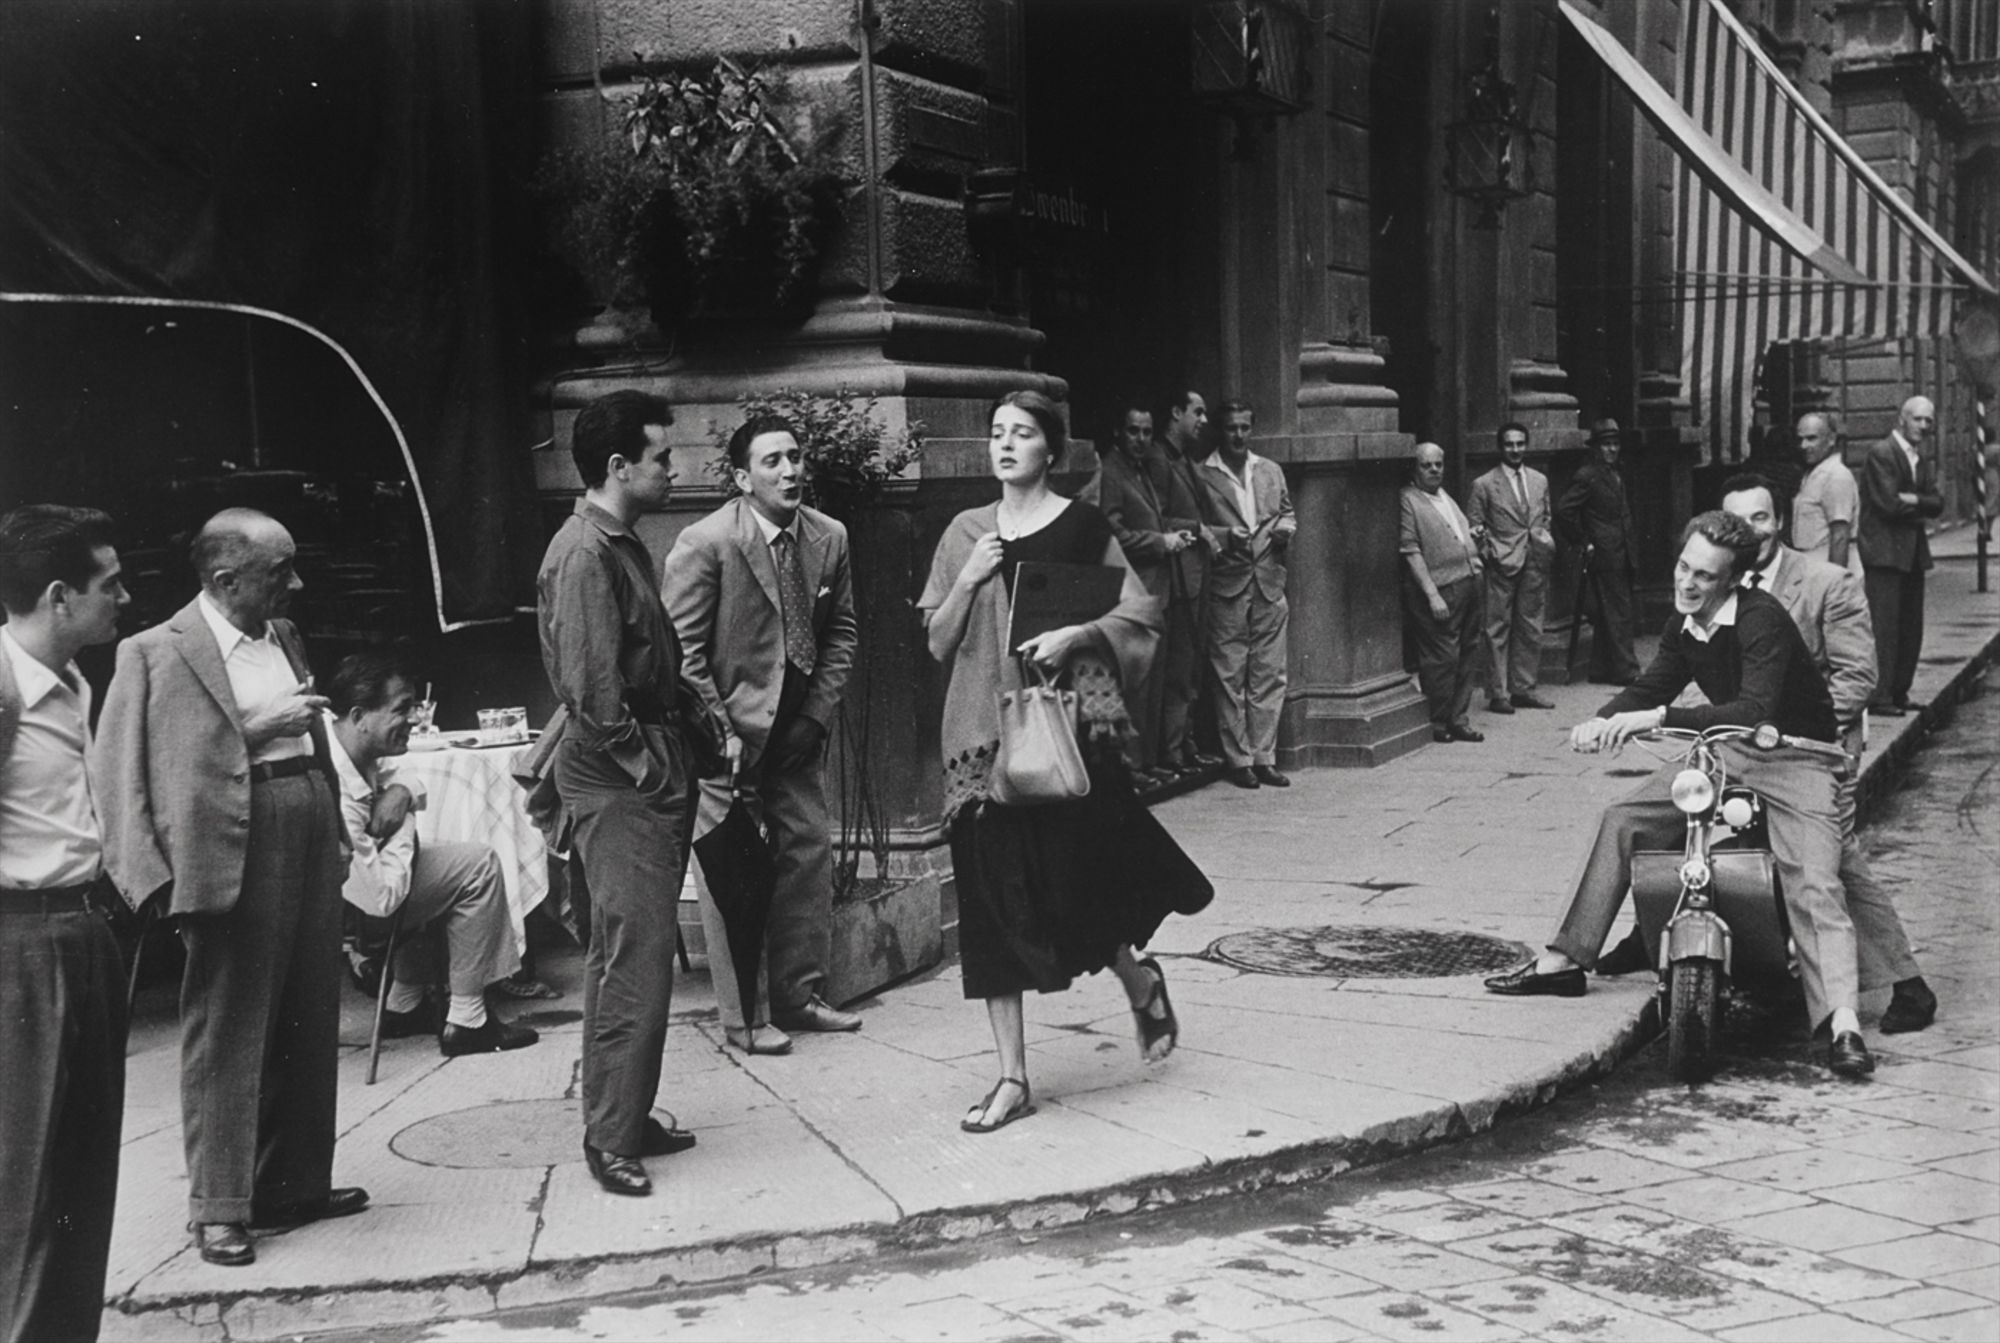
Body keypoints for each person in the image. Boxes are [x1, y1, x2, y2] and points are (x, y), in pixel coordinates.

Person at [1484, 510, 1874, 1079]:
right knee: (1624, 816)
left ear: (1734, 580)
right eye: (1683, 567)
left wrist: (1655, 717)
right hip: (1726, 752)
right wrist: (1603, 720)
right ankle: (1565, 958)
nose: (1687, 583)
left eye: (1704, 576)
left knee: (1815, 881)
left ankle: (1842, 1024)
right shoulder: (1685, 622)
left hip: (1797, 758)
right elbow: (1653, 683)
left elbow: (1752, 710)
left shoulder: (1761, 619)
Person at [919, 390, 1208, 1133]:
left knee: (1079, 887)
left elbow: (1140, 613)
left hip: (1069, 731)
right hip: (983, 741)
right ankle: (1012, 1075)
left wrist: (1076, 632)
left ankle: (1138, 979)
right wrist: (968, 578)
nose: (1005, 445)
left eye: (1022, 434)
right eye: (997, 433)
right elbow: (936, 641)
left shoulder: (1082, 526)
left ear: (1052, 450)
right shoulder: (964, 532)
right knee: (990, 907)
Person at [94, 508, 362, 1267]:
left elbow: (312, 737)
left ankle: (295, 1182)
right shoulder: (153, 652)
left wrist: (337, 826)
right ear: (225, 578)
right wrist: (149, 882)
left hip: (305, 819)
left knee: (310, 1009)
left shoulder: (282, 636)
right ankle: (218, 1205)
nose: (297, 583)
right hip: (228, 843)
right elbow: (121, 773)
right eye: (282, 571)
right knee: (229, 1025)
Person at [537, 389, 701, 1198]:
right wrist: (651, 768)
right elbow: (595, 692)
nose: (674, 469)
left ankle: (624, 1111)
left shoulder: (616, 542)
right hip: (622, 774)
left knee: (630, 953)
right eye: (662, 456)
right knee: (633, 955)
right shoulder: (583, 555)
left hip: (640, 766)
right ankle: (611, 1136)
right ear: (617, 466)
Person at [663, 414, 862, 1056]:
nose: (790, 470)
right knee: (733, 877)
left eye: (796, 456)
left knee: (806, 853)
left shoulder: (828, 538)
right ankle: (745, 1019)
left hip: (795, 732)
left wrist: (814, 717)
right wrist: (720, 733)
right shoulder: (707, 542)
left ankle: (800, 998)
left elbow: (842, 633)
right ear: (744, 478)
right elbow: (682, 652)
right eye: (772, 461)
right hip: (725, 739)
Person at [1716, 476, 1935, 1033]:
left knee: (1832, 860)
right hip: (1750, 744)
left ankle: (1908, 985)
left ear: (1781, 521)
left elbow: (1857, 677)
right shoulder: (1723, 584)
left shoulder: (1826, 582)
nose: (1751, 532)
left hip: (1818, 746)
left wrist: (1785, 732)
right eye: (1738, 522)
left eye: (1760, 519)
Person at [0, 506, 129, 1342]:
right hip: (22, 946)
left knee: (83, 1178)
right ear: (58, 596)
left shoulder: (74, 683)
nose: (124, 596)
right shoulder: (6, 690)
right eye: (109, 583)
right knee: (24, 1187)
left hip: (82, 932)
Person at [322, 652, 539, 1057]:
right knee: (479, 865)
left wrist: (401, 793)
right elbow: (382, 901)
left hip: (359, 890)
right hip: (352, 915)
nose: (415, 719)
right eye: (402, 709)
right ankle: (468, 1019)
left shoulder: (343, 743)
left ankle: (404, 1001)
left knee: (438, 861)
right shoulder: (337, 788)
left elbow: (402, 777)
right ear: (359, 716)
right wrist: (402, 821)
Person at [1090, 400, 1206, 787]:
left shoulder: (1138, 470)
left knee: (1157, 681)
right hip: (1135, 590)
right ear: (1118, 434)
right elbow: (1113, 532)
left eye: (1146, 432)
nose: (1140, 439)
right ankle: (1131, 767)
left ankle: (1148, 760)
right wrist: (1161, 541)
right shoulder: (1111, 471)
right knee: (1137, 684)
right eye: (1133, 431)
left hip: (1159, 588)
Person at [1191, 399, 1295, 789]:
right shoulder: (1203, 475)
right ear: (1221, 431)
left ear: (1253, 429)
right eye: (1232, 428)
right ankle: (1239, 760)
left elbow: (1287, 512)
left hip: (1269, 581)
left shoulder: (1269, 470)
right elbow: (1195, 527)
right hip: (1226, 583)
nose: (1238, 435)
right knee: (1229, 674)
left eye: (1245, 428)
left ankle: (1265, 756)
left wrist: (1286, 528)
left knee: (1270, 672)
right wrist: (1222, 537)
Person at [1857, 395, 1945, 716]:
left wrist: (1914, 500)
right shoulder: (1882, 453)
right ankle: (1880, 696)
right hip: (1884, 553)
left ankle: (1898, 692)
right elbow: (1888, 504)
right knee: (1885, 627)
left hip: (1910, 554)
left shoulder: (1919, 458)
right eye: (1917, 419)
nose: (1923, 426)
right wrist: (1921, 503)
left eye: (1928, 421)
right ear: (1901, 419)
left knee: (1910, 626)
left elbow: (1938, 504)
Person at [1399, 442, 1487, 744]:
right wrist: (1432, 594)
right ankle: (1438, 720)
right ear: (1415, 468)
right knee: (1441, 657)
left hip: (1470, 581)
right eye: (1427, 465)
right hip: (1442, 588)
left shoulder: (1444, 496)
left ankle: (1458, 719)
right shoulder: (1409, 499)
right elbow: (1411, 551)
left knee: (1468, 651)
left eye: (1438, 464)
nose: (1435, 469)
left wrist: (1473, 539)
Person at [1466, 422, 1556, 715]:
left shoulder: (1539, 480)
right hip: (1501, 564)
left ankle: (1524, 689)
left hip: (1534, 560)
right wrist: (1491, 553)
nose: (1515, 450)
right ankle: (1498, 693)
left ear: (1526, 445)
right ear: (1500, 447)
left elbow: (1545, 517)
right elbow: (1475, 526)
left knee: (1531, 626)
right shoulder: (1484, 484)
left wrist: (1542, 544)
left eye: (1520, 444)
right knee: (1497, 628)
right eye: (1509, 444)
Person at [1157, 390, 1223, 773]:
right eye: (1197, 412)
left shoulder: (1185, 460)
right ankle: (1174, 750)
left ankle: (1186, 743)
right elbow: (1154, 517)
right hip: (1176, 577)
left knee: (1191, 666)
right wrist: (1198, 529)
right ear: (1176, 411)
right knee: (1179, 668)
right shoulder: (1158, 459)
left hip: (1196, 575)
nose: (1203, 420)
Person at [1556, 417, 1641, 684]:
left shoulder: (1617, 471)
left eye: (1615, 444)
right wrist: (1584, 540)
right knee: (1619, 613)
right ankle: (1627, 671)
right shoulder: (1588, 475)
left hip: (1622, 549)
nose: (1612, 450)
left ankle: (1601, 669)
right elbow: (1564, 510)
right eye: (1606, 445)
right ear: (1595, 448)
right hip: (1605, 553)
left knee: (1609, 613)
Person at [1791, 411, 1860, 574]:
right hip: (1811, 565)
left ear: (1831, 440)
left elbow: (1840, 536)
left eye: (1811, 438)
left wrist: (1836, 583)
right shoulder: (1814, 473)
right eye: (1800, 439)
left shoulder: (1836, 476)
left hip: (1826, 565)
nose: (1803, 446)